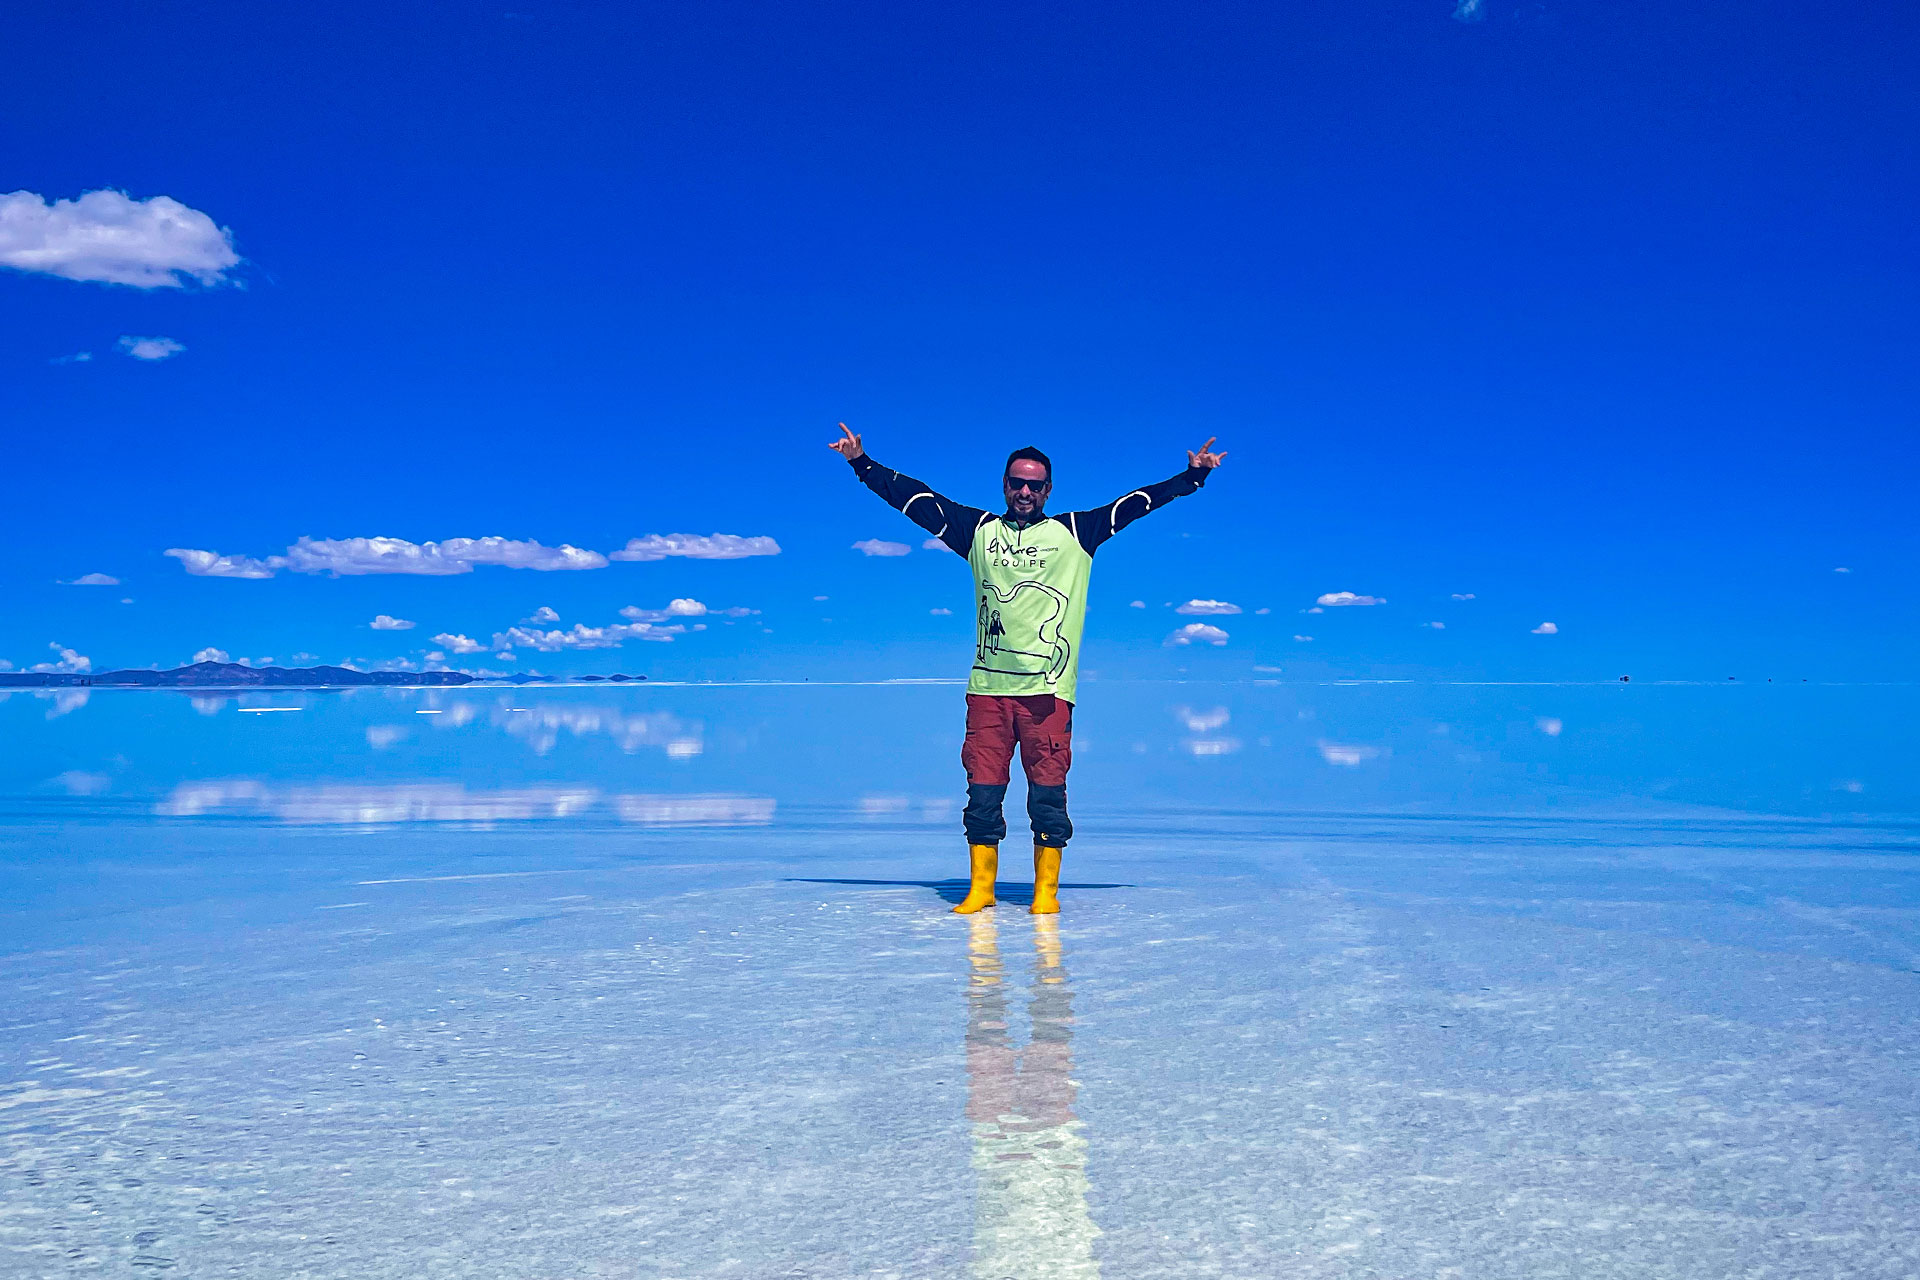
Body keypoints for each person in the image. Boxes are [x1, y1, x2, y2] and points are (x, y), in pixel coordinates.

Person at [830, 422, 1226, 914]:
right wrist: (862, 465)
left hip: (1049, 693)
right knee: (982, 793)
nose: (1024, 491)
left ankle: (1045, 895)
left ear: (1048, 490)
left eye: (1034, 485)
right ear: (1004, 484)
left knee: (1048, 796)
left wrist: (1191, 477)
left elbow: (1135, 504)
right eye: (1016, 482)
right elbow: (918, 501)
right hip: (988, 692)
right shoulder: (978, 533)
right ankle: (981, 890)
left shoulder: (1076, 532)